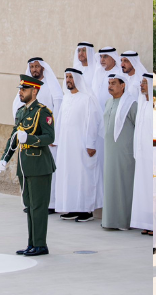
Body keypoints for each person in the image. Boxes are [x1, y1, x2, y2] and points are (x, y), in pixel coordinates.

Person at [0, 74, 56, 257]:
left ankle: (40, 244)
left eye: (24, 89)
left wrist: (29, 138)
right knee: (29, 206)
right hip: (24, 166)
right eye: (21, 89)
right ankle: (32, 244)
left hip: (39, 165)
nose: (21, 92)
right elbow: (14, 138)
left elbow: (50, 137)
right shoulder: (21, 112)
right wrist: (4, 159)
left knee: (39, 207)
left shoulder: (43, 112)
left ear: (35, 91)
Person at [54, 67, 103, 223]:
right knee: (68, 175)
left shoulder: (87, 98)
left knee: (83, 176)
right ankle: (72, 207)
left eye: (71, 77)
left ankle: (86, 210)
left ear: (78, 79)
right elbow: (60, 121)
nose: (68, 80)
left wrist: (90, 144)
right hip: (66, 146)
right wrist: (56, 140)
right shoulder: (67, 98)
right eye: (67, 77)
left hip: (82, 145)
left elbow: (93, 122)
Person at [22, 57, 61, 213]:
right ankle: (32, 203)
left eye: (37, 66)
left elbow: (57, 112)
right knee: (31, 171)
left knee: (45, 172)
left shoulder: (51, 87)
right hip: (29, 137)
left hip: (46, 138)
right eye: (32, 67)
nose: (34, 70)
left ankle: (50, 203)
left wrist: (54, 136)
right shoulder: (27, 87)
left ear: (43, 68)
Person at [101, 72, 138, 230]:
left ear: (123, 85)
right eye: (109, 83)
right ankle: (110, 221)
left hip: (125, 153)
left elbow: (138, 127)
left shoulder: (131, 104)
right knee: (110, 184)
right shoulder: (108, 102)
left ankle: (123, 222)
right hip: (110, 152)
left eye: (114, 83)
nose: (110, 86)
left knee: (123, 185)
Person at [128, 65, 155, 235]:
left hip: (151, 155)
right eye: (142, 82)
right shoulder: (142, 104)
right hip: (141, 154)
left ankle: (152, 223)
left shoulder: (152, 106)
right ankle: (145, 222)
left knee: (150, 188)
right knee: (142, 188)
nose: (142, 85)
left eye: (145, 83)